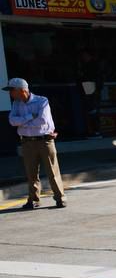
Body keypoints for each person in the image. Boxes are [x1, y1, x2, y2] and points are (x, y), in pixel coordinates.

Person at [7, 78, 66, 210]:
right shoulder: (16, 103)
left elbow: (42, 120)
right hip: (27, 142)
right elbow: (12, 121)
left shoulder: (42, 101)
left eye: (12, 90)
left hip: (45, 140)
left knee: (52, 171)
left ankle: (60, 198)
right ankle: (34, 199)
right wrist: (29, 117)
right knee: (31, 173)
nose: (10, 93)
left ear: (22, 90)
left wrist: (22, 123)